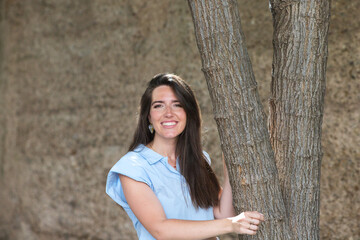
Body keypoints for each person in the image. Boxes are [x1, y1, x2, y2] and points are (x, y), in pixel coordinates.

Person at [106, 73, 264, 240]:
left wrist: (230, 171)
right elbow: (161, 230)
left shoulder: (197, 159)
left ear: (189, 114)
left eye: (177, 105)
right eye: (159, 106)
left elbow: (223, 213)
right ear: (148, 116)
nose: (168, 113)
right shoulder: (133, 167)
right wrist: (230, 224)